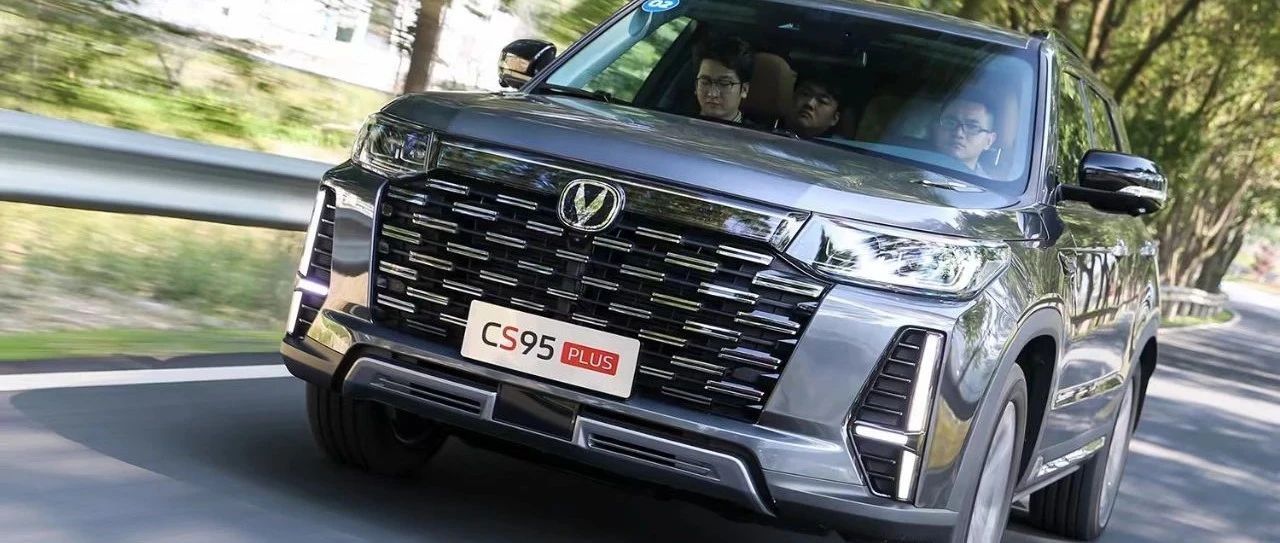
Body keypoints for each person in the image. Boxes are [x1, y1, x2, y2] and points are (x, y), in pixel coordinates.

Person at [931, 95, 999, 175]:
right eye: (950, 123)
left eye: (972, 127)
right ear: (936, 127)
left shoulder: (985, 182)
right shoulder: (917, 162)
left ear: (989, 141)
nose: (958, 133)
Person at [693, 36, 754, 123]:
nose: (712, 94)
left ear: (744, 89)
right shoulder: (679, 123)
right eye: (705, 82)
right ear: (696, 85)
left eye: (724, 83)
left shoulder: (752, 132)